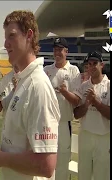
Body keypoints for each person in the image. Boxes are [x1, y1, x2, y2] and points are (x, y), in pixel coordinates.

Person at [0, 10, 60, 180]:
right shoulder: (23, 82)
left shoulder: (38, 86)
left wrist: (2, 158)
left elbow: (46, 165)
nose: (6, 44)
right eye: (5, 38)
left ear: (29, 36)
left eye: (12, 36)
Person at [43, 37, 81, 180]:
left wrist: (65, 92)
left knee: (63, 163)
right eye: (55, 49)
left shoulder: (73, 70)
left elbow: (77, 101)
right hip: (48, 124)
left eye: (60, 49)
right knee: (48, 161)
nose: (57, 52)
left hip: (64, 123)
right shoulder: (47, 70)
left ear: (66, 51)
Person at [73, 51, 110, 180]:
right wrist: (87, 104)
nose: (92, 66)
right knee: (83, 173)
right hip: (86, 135)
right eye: (89, 64)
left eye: (95, 63)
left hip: (103, 137)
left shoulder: (109, 85)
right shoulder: (84, 86)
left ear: (102, 65)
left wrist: (96, 102)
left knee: (102, 175)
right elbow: (76, 114)